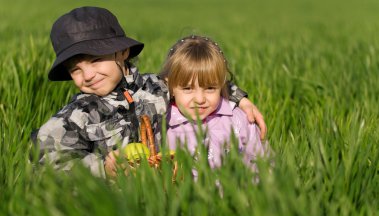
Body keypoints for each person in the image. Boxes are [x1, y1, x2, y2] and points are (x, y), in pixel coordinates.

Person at [32, 7, 266, 178]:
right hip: (113, 204)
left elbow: (197, 82)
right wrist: (102, 168)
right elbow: (45, 164)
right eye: (76, 69)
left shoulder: (154, 88)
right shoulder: (77, 115)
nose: (88, 75)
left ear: (122, 52)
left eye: (95, 60)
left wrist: (239, 99)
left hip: (162, 188)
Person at [161, 35, 269, 172]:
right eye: (188, 89)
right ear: (170, 85)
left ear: (222, 84)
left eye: (210, 88)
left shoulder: (239, 119)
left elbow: (264, 163)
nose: (200, 99)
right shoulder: (163, 123)